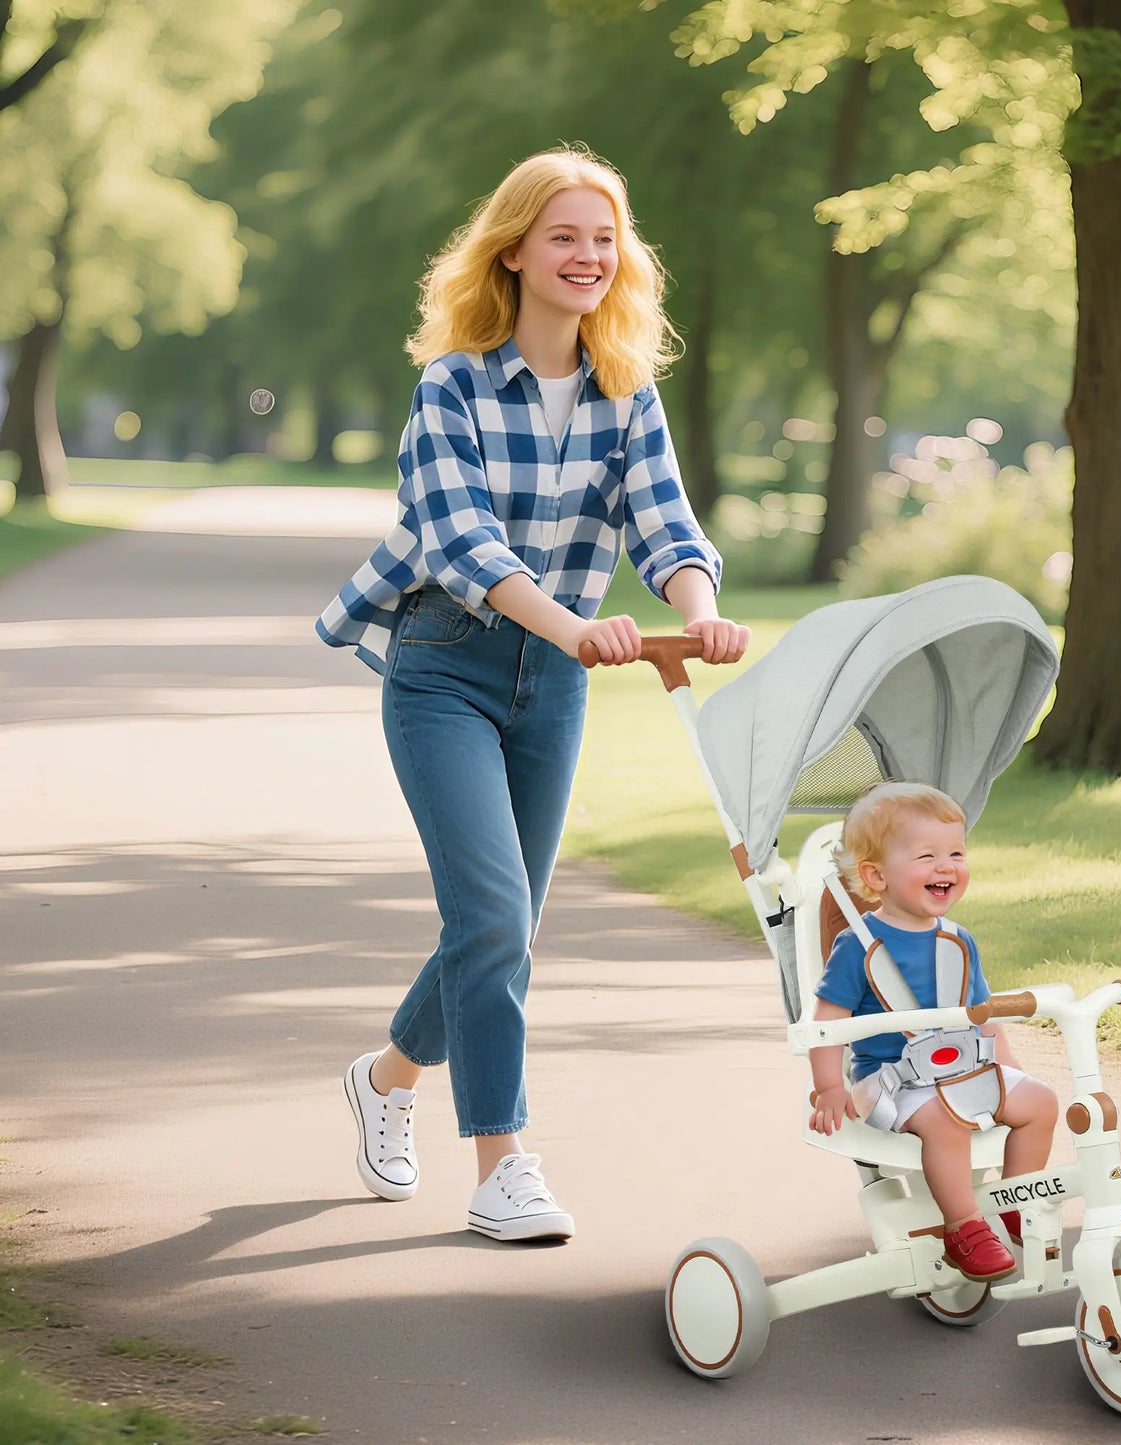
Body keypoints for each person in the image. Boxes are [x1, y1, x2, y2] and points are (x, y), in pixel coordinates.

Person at [317, 146, 749, 1243]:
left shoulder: (623, 391)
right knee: (496, 916)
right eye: (564, 235)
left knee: (497, 924)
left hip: (550, 685)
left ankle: (386, 1073)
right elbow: (460, 540)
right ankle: (503, 1163)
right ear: (512, 250)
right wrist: (573, 625)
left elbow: (664, 522)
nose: (587, 256)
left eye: (603, 238)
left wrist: (696, 606)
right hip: (443, 667)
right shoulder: (451, 386)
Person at [809, 782, 1058, 1280]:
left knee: (1042, 1102)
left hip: (963, 1064)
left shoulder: (958, 941)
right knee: (945, 1121)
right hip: (890, 1079)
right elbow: (828, 1024)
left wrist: (1008, 1071)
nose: (947, 866)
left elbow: (980, 1015)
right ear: (875, 876)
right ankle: (964, 1227)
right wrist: (829, 1088)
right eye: (927, 856)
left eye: (956, 853)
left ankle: (1013, 1198)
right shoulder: (857, 947)